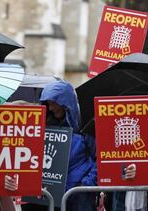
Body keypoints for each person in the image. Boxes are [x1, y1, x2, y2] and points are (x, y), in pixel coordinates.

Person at [39, 80, 97, 211]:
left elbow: (99, 159)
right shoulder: (46, 127)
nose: (51, 108)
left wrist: (85, 184)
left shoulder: (86, 127)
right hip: (52, 192)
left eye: (54, 103)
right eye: (48, 104)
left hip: (80, 195)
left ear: (65, 103)